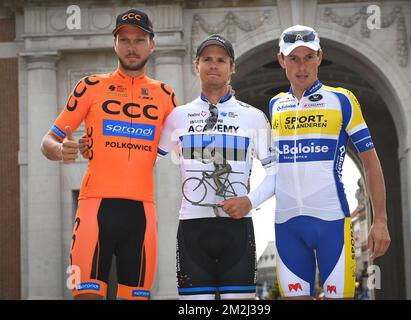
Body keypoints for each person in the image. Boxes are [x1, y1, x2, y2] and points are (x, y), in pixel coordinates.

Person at [222, 25, 391, 300]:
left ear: (320, 57)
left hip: (332, 223)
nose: (302, 67)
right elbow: (273, 167)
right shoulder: (276, 104)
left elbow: (371, 161)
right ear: (281, 60)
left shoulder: (342, 100)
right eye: (294, 58)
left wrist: (380, 220)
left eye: (309, 57)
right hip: (287, 226)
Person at [40, 8, 178, 300]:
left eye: (139, 40)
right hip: (94, 208)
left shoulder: (165, 95)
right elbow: (48, 140)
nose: (131, 47)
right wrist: (60, 150)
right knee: (86, 296)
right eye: (124, 39)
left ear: (152, 44)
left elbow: (184, 149)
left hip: (142, 211)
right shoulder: (90, 86)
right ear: (114, 43)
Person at [156, 34, 277, 300]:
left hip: (237, 229)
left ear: (232, 67)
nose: (214, 65)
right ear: (196, 65)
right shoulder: (178, 116)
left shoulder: (253, 117)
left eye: (221, 60)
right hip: (192, 231)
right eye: (207, 59)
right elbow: (147, 159)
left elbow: (276, 173)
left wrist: (249, 200)